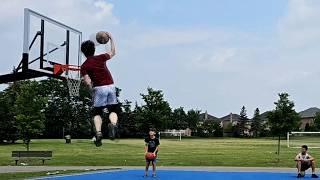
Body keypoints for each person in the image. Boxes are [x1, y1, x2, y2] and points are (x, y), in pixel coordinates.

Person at [80, 32, 118, 147]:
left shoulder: (84, 66)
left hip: (99, 88)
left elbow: (87, 82)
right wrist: (111, 37)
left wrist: (91, 90)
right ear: (93, 50)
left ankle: (99, 133)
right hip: (111, 86)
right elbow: (113, 52)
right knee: (113, 110)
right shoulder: (101, 58)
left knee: (97, 113)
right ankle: (113, 124)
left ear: (83, 52)